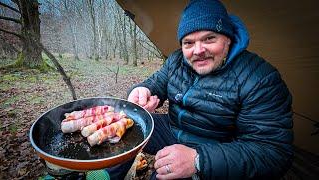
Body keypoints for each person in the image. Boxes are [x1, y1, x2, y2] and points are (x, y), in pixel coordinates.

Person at [108, 0, 293, 179]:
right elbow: (156, 83)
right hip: (172, 129)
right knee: (122, 128)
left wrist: (198, 160)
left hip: (215, 148)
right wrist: (141, 90)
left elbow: (273, 152)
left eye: (209, 38)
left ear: (228, 39)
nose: (198, 50)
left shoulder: (260, 78)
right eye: (188, 42)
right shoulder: (177, 60)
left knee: (162, 175)